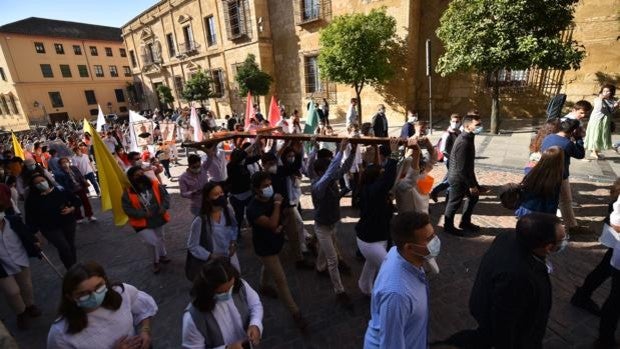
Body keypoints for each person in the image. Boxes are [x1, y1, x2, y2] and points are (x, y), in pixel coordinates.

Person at [468, 213, 567, 349]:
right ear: (548, 247)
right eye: (561, 239)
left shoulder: (508, 236)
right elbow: (504, 323)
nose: (565, 241)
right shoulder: (519, 277)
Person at [363, 211, 437, 349]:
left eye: (434, 235)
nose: (435, 241)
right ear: (409, 247)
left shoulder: (397, 252)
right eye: (429, 239)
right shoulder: (398, 295)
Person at [246, 171, 307, 330]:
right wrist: (278, 206)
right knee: (281, 280)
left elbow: (285, 215)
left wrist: (282, 224)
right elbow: (272, 224)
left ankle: (263, 285)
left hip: (275, 242)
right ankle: (295, 312)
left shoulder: (274, 198)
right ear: (257, 189)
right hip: (264, 247)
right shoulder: (253, 209)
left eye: (269, 184)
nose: (269, 187)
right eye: (265, 186)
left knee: (267, 267)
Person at [47, 261, 157, 349]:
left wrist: (145, 330)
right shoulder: (60, 335)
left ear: (105, 280)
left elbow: (143, 308)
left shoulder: (121, 293)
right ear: (70, 297)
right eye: (83, 293)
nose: (94, 296)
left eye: (98, 287)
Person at [310, 139, 356, 307]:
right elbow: (331, 172)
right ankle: (339, 290)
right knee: (333, 259)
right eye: (329, 167)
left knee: (325, 250)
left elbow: (343, 168)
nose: (333, 170)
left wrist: (352, 152)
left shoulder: (329, 179)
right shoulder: (318, 185)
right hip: (322, 227)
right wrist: (340, 150)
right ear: (321, 171)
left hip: (332, 224)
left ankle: (319, 268)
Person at [182, 258, 262, 349]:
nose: (228, 294)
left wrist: (255, 324)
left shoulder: (240, 285)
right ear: (208, 290)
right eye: (222, 292)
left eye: (230, 288)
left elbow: (255, 304)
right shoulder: (193, 318)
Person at [356, 141, 398, 296]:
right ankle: (380, 297)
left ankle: (364, 284)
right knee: (390, 269)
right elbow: (387, 179)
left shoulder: (373, 190)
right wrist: (394, 154)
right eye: (380, 175)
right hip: (369, 240)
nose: (383, 176)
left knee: (371, 264)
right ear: (375, 179)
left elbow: (384, 177)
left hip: (378, 236)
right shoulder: (372, 191)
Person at [0, 202, 42, 330]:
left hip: (20, 258)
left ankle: (29, 305)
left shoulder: (13, 221)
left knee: (26, 285)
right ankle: (21, 313)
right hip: (2, 266)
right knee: (12, 292)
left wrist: (35, 242)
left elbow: (26, 234)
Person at [122, 166, 171, 274]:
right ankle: (155, 262)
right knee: (152, 242)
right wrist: (143, 214)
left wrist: (163, 207)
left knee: (160, 238)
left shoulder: (154, 183)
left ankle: (163, 255)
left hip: (158, 217)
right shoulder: (128, 192)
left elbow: (166, 196)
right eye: (136, 175)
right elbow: (127, 209)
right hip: (141, 223)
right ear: (131, 178)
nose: (140, 176)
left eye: (141, 174)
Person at [186, 183, 239, 282]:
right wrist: (211, 256)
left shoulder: (227, 210)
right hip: (214, 263)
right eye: (216, 194)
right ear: (208, 199)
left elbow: (233, 227)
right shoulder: (200, 221)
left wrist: (233, 242)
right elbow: (192, 245)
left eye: (221, 193)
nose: (221, 196)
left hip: (230, 256)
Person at [25, 174, 80, 269]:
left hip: (68, 223)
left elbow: (77, 201)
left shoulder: (59, 190)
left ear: (47, 180)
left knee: (70, 246)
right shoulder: (32, 199)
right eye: (37, 183)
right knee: (64, 247)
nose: (41, 183)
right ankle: (73, 270)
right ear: (33, 186)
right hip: (49, 228)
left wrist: (71, 209)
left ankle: (74, 268)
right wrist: (34, 234)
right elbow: (30, 218)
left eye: (42, 180)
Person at [541, 118, 586, 234]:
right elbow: (580, 154)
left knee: (549, 200)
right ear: (573, 131)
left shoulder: (548, 137)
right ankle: (569, 227)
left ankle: (548, 223)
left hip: (545, 173)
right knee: (565, 201)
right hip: (560, 175)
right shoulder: (567, 144)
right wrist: (579, 139)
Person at [443, 114, 483, 236]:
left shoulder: (469, 136)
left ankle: (465, 222)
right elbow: (461, 168)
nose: (480, 127)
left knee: (474, 197)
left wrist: (476, 184)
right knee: (454, 202)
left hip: (464, 175)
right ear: (467, 126)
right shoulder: (464, 142)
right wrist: (471, 185)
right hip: (458, 178)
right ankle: (448, 226)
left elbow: (468, 165)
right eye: (477, 125)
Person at [515, 146, 564, 218]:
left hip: (526, 209)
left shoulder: (530, 170)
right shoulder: (554, 180)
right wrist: (552, 217)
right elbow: (552, 203)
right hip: (540, 213)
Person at [54, 157, 97, 223]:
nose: (65, 163)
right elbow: (61, 184)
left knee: (86, 202)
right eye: (63, 162)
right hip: (71, 190)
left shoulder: (74, 168)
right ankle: (78, 217)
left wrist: (85, 184)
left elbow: (80, 176)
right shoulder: (59, 173)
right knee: (75, 204)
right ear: (60, 165)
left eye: (66, 161)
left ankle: (90, 216)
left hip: (80, 187)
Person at [430, 113, 461, 202]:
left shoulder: (458, 132)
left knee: (450, 179)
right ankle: (441, 194)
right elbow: (443, 150)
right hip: (450, 160)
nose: (455, 123)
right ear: (450, 121)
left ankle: (439, 192)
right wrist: (452, 159)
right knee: (453, 179)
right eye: (453, 121)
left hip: (457, 160)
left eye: (457, 121)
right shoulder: (447, 134)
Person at [584, 84, 619, 159]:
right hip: (597, 120)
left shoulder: (611, 101)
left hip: (605, 121)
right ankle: (593, 152)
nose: (605, 93)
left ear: (611, 92)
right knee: (596, 135)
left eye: (607, 91)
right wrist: (600, 99)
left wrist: (616, 107)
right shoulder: (597, 99)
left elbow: (611, 112)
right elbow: (600, 109)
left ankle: (596, 151)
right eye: (604, 91)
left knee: (601, 136)